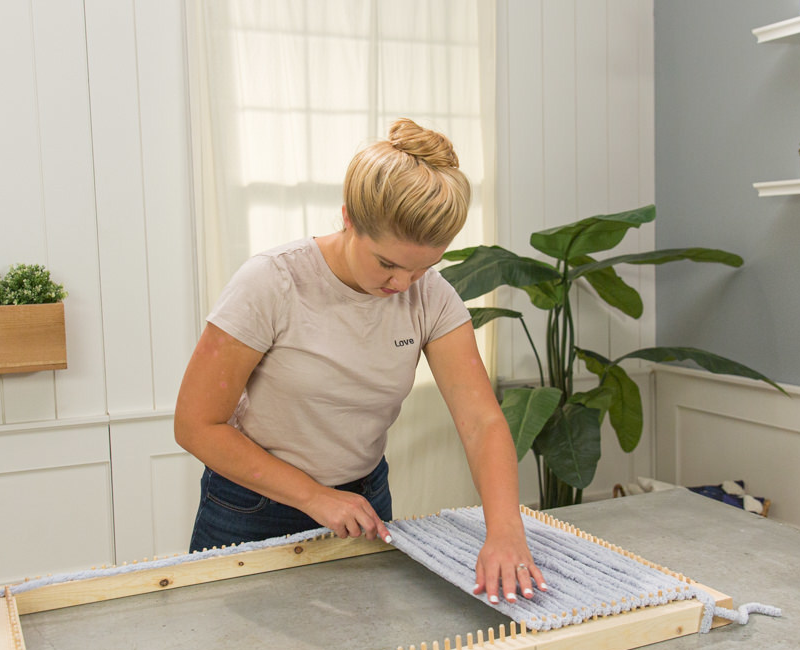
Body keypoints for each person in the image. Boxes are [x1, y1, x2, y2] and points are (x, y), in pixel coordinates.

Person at [175, 118, 547, 605]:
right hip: (250, 506)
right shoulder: (273, 282)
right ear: (349, 218)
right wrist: (313, 497)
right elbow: (196, 425)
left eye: (423, 267)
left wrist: (504, 530)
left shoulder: (430, 297)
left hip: (363, 501)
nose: (402, 285)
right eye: (387, 263)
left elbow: (481, 421)